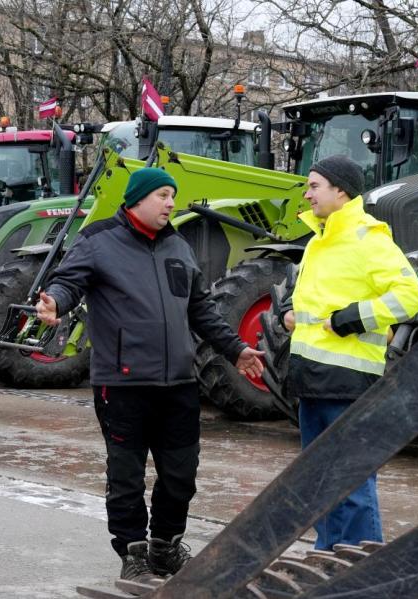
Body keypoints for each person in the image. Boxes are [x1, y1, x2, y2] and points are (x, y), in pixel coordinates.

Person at [36, 167, 264, 582]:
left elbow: (201, 309)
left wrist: (236, 349)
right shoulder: (98, 240)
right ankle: (133, 553)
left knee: (181, 474)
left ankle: (165, 547)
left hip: (178, 382)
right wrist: (56, 301)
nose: (171, 204)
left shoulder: (178, 245)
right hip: (123, 383)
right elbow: (68, 282)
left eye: (172, 196)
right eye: (162, 195)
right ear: (137, 198)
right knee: (126, 475)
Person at [283, 154, 418, 551]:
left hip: (346, 381)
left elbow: (411, 296)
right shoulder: (317, 241)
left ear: (340, 189)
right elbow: (315, 304)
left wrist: (352, 319)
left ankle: (359, 565)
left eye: (314, 185)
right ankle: (328, 556)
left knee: (349, 480)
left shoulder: (367, 236)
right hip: (311, 378)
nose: (307, 193)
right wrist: (288, 316)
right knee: (319, 478)